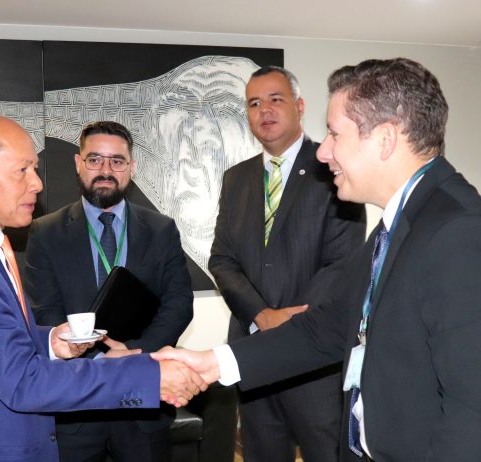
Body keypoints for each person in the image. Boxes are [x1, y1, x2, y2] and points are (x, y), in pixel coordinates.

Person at [154, 57, 481, 462]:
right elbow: (328, 326)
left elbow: (471, 410)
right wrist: (212, 363)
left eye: (334, 133)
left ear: (385, 139)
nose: (324, 151)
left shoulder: (458, 231)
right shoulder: (401, 224)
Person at [0, 114, 205, 462]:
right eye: (22, 170)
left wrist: (50, 341)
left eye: (35, 169)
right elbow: (22, 379)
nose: (37, 184)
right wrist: (146, 375)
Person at [208, 65, 366, 462]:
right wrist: (261, 315)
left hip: (315, 362)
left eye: (275, 99)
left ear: (299, 106)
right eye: (254, 103)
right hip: (254, 355)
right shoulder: (235, 179)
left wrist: (290, 324)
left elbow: (342, 262)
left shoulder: (335, 168)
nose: (264, 110)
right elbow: (222, 259)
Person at [24, 120, 194, 461]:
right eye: (95, 159)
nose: (106, 170)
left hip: (143, 401)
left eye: (117, 161)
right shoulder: (45, 232)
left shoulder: (161, 229)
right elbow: (45, 311)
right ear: (78, 163)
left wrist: (133, 352)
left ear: (131, 167)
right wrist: (100, 362)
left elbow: (178, 305)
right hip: (76, 404)